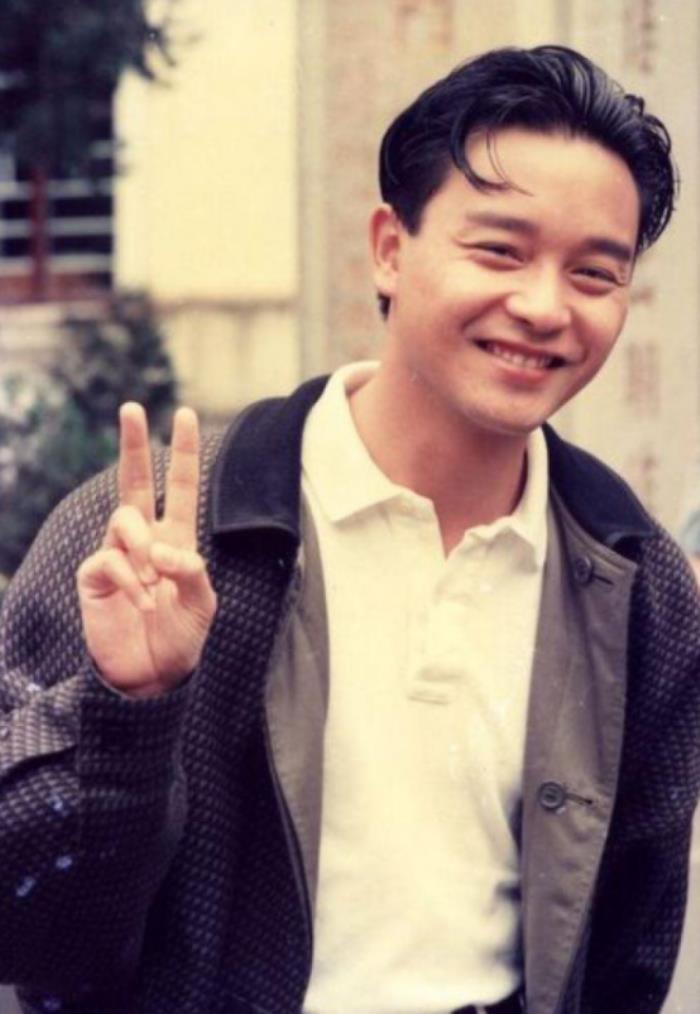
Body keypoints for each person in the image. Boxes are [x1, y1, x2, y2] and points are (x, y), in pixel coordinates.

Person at [0, 44, 699, 1014]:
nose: (544, 307)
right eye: (499, 251)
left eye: (593, 272)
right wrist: (131, 708)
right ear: (388, 248)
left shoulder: (635, 582)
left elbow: (631, 951)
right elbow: (30, 937)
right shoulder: (153, 539)